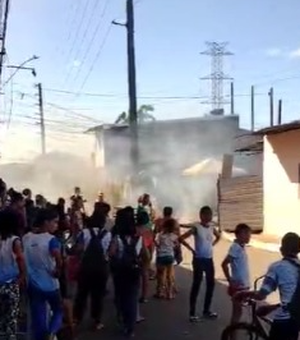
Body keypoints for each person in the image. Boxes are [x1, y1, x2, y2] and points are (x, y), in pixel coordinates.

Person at [235, 232, 300, 340]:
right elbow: (292, 300)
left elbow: (261, 295)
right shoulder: (298, 267)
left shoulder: (277, 267)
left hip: (284, 321)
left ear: (282, 248)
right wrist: (271, 307)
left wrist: (243, 294)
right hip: (295, 320)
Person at [23, 208, 63, 340]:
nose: (57, 225)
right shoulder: (52, 239)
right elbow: (58, 257)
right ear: (46, 222)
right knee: (58, 310)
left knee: (38, 317)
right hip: (51, 285)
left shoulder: (26, 238)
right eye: (55, 222)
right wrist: (58, 270)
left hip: (33, 285)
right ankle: (52, 333)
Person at [180, 205, 221, 321]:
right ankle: (192, 313)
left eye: (210, 215)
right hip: (198, 259)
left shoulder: (212, 227)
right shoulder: (196, 228)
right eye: (207, 215)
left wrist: (212, 245)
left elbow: (218, 236)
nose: (209, 217)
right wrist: (192, 250)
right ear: (201, 215)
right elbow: (181, 238)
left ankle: (206, 310)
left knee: (210, 284)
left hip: (208, 259)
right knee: (196, 285)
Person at [73, 206, 111, 330]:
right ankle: (97, 320)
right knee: (98, 295)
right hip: (101, 269)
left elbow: (78, 249)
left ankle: (77, 318)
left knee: (82, 293)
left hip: (86, 267)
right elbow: (110, 252)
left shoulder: (84, 232)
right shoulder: (108, 234)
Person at [109, 207, 144, 337]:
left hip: (120, 272)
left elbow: (112, 253)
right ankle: (131, 327)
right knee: (132, 298)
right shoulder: (138, 238)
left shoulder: (117, 237)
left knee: (121, 297)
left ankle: (123, 320)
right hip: (134, 271)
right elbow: (142, 254)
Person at [0, 209, 26, 339]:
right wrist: (23, 276)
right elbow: (20, 259)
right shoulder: (14, 240)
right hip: (11, 283)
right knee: (11, 317)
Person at [221, 223, 251, 326]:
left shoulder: (241, 247)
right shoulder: (235, 248)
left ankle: (233, 333)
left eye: (249, 234)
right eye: (245, 233)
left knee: (239, 311)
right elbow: (224, 264)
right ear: (237, 235)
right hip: (238, 285)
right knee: (237, 312)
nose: (248, 236)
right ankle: (232, 335)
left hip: (242, 284)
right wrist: (230, 280)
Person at [155, 218, 178, 299]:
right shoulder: (174, 236)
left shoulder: (160, 235)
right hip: (170, 257)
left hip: (161, 256)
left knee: (160, 275)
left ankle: (159, 292)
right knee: (169, 276)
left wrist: (159, 247)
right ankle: (169, 294)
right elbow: (176, 245)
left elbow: (157, 243)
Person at [136, 211, 154, 303]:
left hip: (137, 252)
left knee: (135, 274)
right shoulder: (149, 229)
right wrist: (151, 255)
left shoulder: (135, 229)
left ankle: (134, 294)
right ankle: (144, 296)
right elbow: (151, 244)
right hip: (146, 252)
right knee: (145, 274)